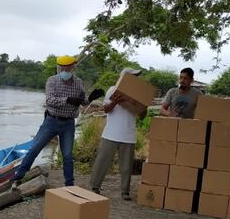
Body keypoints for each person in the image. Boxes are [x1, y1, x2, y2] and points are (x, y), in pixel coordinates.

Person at [10, 55, 103, 186]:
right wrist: (68, 99)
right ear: (59, 67)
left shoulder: (78, 83)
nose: (65, 70)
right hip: (51, 121)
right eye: (62, 67)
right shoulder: (52, 81)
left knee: (67, 155)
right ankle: (19, 174)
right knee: (35, 148)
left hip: (68, 123)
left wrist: (91, 98)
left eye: (68, 67)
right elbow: (49, 100)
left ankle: (69, 183)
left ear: (72, 67)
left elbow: (82, 102)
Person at [89, 68, 146, 201]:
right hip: (111, 134)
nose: (135, 79)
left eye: (136, 77)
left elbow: (143, 115)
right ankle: (94, 187)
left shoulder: (138, 94)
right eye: (133, 76)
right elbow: (106, 109)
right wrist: (116, 101)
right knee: (102, 162)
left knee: (126, 166)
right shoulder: (112, 89)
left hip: (128, 135)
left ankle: (125, 192)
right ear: (124, 77)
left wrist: (134, 103)